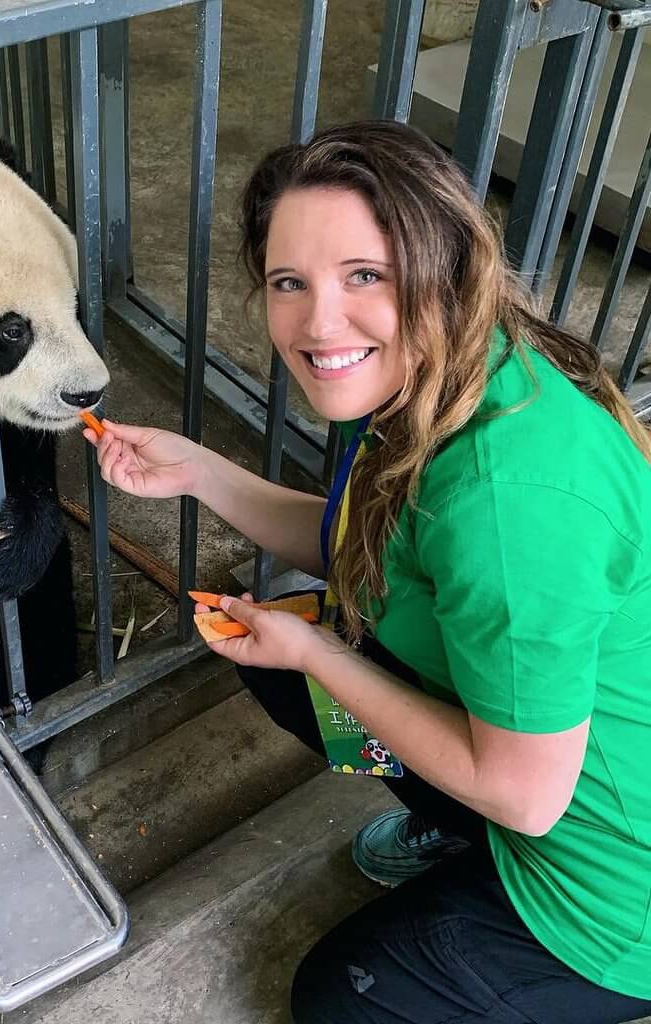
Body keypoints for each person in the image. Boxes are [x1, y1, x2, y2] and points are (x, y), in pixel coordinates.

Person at [83, 121, 651, 1024]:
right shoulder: (427, 376)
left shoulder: (506, 502)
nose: (318, 323)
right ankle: (459, 830)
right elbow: (369, 547)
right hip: (525, 749)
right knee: (281, 669)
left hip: (611, 883)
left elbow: (528, 795)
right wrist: (199, 471)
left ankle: (498, 883)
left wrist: (319, 654)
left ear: (445, 271)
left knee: (339, 1001)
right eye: (288, 283)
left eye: (364, 276)